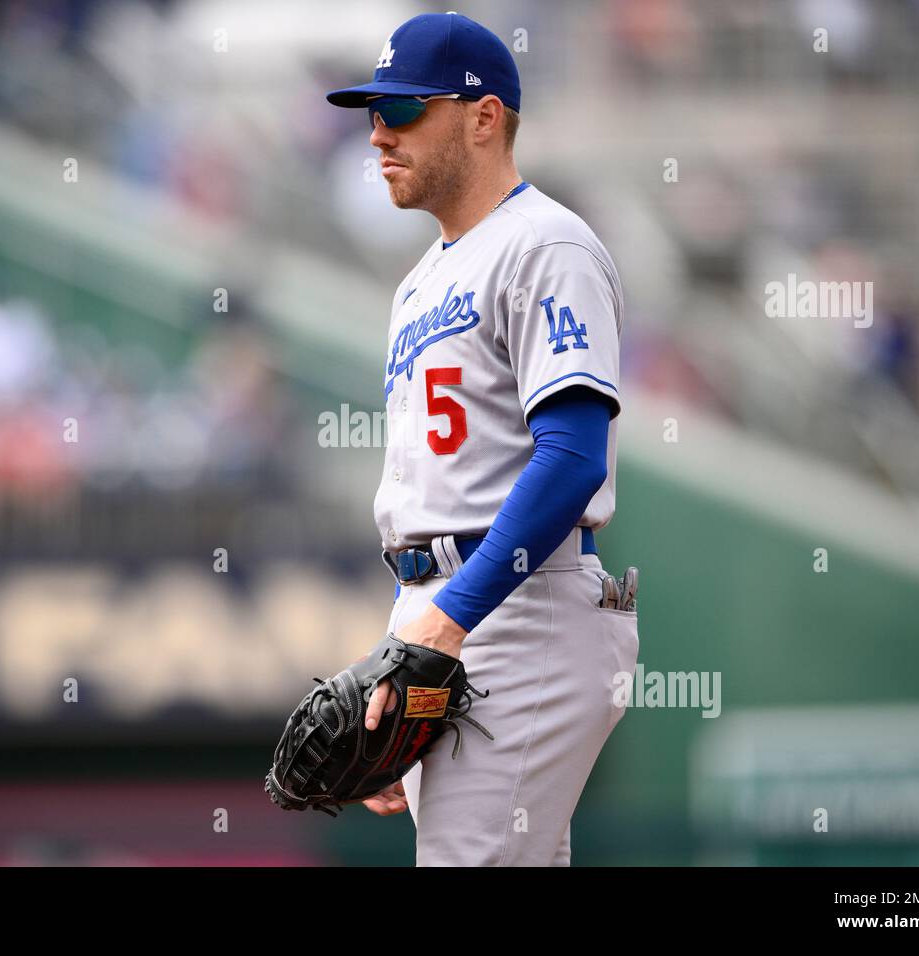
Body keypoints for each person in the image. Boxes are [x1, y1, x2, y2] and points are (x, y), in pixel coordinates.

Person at [325, 12, 640, 866]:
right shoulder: (422, 279)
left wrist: (448, 622)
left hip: (520, 607)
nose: (378, 133)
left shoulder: (547, 244)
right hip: (445, 611)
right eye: (372, 113)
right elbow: (437, 493)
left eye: (402, 111)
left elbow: (574, 456)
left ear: (483, 116)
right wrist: (404, 654)